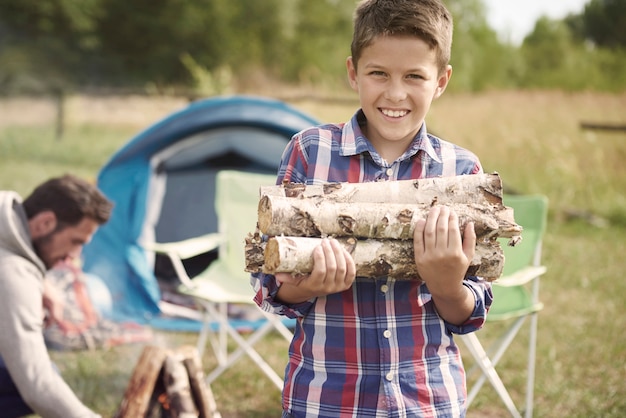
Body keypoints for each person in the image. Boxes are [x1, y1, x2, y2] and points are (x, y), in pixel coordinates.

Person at [251, 0, 494, 416]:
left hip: (426, 400)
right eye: (378, 73)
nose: (395, 93)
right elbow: (269, 284)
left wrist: (448, 285)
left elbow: (468, 313)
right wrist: (309, 284)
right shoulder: (309, 153)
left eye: (414, 76)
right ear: (352, 72)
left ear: (441, 81)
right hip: (326, 397)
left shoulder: (461, 170)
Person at [0, 174, 113, 418]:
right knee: (25, 384)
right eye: (75, 241)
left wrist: (42, 281)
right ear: (44, 223)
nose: (74, 255)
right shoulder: (12, 273)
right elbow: (36, 384)